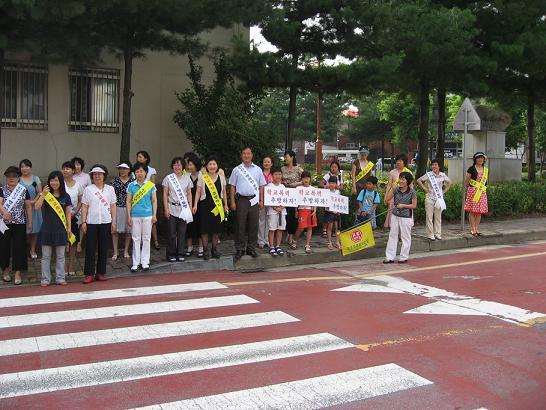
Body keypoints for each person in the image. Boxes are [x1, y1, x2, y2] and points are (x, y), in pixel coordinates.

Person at [34, 171, 72, 286]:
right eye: (52, 180)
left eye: (56, 180)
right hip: (47, 229)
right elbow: (36, 207)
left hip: (61, 230)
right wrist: (43, 194)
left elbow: (68, 213)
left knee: (61, 256)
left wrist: (69, 228)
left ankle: (60, 277)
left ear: (60, 181)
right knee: (46, 256)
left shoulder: (66, 196)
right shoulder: (46, 194)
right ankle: (45, 279)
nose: (54, 183)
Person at [229, 147, 266, 260]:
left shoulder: (258, 170)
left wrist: (261, 200)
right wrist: (232, 202)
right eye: (244, 153)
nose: (246, 155)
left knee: (253, 225)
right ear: (241, 155)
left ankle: (251, 248)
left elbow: (261, 187)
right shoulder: (237, 170)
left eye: (248, 153)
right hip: (241, 200)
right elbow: (232, 186)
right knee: (240, 225)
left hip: (254, 200)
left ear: (252, 155)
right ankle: (240, 249)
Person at [81, 165, 116, 283]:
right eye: (95, 174)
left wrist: (113, 221)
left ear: (104, 175)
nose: (97, 176)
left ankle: (100, 273)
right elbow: (84, 206)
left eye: (99, 174)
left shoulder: (110, 189)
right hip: (91, 222)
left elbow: (113, 206)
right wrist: (84, 221)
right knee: (90, 248)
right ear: (92, 176)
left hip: (106, 222)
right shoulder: (88, 189)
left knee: (103, 248)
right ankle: (89, 274)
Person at [0, 166, 32, 285]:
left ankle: (18, 272)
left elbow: (28, 206)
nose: (11, 178)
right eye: (9, 176)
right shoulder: (2, 189)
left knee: (19, 247)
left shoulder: (23, 190)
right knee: (4, 247)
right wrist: (4, 212)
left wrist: (30, 222)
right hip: (4, 223)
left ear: (18, 177)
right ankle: (5, 270)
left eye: (14, 176)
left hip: (19, 223)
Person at [195, 157, 228, 260]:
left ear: (217, 166)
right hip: (205, 206)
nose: (212, 166)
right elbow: (198, 192)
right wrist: (195, 204)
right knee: (204, 230)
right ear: (206, 166)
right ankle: (205, 250)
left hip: (217, 207)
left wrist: (225, 205)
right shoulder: (202, 177)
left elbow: (224, 193)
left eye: (214, 164)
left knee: (216, 230)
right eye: (210, 164)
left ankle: (214, 250)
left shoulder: (221, 177)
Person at [127, 163, 157, 271]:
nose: (139, 173)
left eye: (141, 171)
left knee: (146, 238)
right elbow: (128, 201)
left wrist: (154, 215)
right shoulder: (131, 186)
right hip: (135, 215)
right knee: (135, 238)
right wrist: (129, 216)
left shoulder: (150, 185)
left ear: (145, 173)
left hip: (147, 215)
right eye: (137, 171)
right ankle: (135, 263)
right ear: (134, 173)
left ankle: (145, 262)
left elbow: (154, 201)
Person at [163, 157, 193, 262]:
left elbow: (189, 194)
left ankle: (180, 252)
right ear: (172, 166)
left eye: (179, 165)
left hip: (183, 208)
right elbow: (165, 194)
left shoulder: (187, 178)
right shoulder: (168, 178)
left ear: (183, 166)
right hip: (171, 207)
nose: (177, 167)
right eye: (175, 165)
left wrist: (190, 208)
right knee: (171, 232)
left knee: (182, 232)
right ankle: (171, 253)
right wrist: (166, 209)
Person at [384, 171, 417, 264]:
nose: (401, 181)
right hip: (395, 215)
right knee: (392, 234)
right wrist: (391, 188)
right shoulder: (396, 189)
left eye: (403, 179)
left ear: (408, 181)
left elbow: (414, 205)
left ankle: (403, 257)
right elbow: (386, 199)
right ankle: (390, 257)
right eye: (400, 178)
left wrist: (403, 205)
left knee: (405, 236)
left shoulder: (412, 192)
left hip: (406, 216)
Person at [417, 159, 452, 240]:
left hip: (439, 198)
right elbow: (419, 180)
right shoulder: (429, 174)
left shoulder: (443, 175)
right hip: (429, 197)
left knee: (438, 217)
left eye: (435, 164)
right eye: (432, 165)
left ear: (439, 166)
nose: (434, 166)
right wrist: (425, 189)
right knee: (429, 216)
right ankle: (430, 234)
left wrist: (444, 191)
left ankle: (438, 233)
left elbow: (450, 182)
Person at [135, 150, 159, 250]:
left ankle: (156, 240)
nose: (138, 159)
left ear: (146, 158)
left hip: (148, 198)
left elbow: (153, 184)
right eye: (137, 157)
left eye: (140, 157)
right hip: (138, 198)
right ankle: (140, 242)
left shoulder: (151, 170)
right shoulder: (135, 169)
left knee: (152, 221)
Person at [63, 161, 83, 276]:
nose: (65, 170)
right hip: (61, 217)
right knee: (62, 242)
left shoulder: (78, 185)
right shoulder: (60, 184)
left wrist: (76, 211)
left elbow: (81, 199)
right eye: (64, 168)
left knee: (72, 242)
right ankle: (64, 266)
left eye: (68, 168)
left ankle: (71, 265)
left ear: (73, 171)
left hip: (73, 217)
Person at [19, 159, 42, 259]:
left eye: (26, 166)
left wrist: (33, 201)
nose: (24, 168)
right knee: (21, 231)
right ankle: (21, 250)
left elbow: (40, 193)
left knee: (34, 230)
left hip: (35, 208)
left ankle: (32, 249)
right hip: (21, 209)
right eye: (22, 166)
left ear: (30, 168)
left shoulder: (35, 179)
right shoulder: (18, 179)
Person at [111, 162, 133, 260]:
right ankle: (115, 251)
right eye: (120, 168)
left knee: (129, 231)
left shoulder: (133, 182)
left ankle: (126, 251)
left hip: (130, 209)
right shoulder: (114, 181)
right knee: (115, 230)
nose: (122, 170)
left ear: (129, 170)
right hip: (117, 207)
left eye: (125, 168)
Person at [291, 171, 317, 254]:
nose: (306, 180)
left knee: (310, 228)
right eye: (304, 178)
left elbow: (316, 201)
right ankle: (294, 241)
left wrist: (315, 211)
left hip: (310, 210)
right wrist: (296, 210)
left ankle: (307, 245)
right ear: (301, 179)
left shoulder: (313, 189)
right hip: (302, 210)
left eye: (307, 178)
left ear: (310, 179)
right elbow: (295, 201)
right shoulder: (298, 188)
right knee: (301, 228)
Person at [281, 150, 303, 247]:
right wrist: (283, 183)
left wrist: (296, 184)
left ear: (292, 157)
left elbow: (305, 180)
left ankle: (291, 235)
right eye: (284, 157)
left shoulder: (298, 169)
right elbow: (278, 178)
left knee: (293, 215)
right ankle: (287, 233)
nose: (285, 159)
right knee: (285, 215)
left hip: (295, 195)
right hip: (284, 195)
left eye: (287, 157)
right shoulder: (282, 169)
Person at [184, 154, 204, 257]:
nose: (188, 167)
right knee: (189, 226)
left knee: (200, 225)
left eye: (190, 164)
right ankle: (189, 247)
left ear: (196, 165)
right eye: (188, 165)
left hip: (200, 205)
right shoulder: (186, 176)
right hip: (187, 204)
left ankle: (201, 248)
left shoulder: (203, 176)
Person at [465, 152, 489, 237]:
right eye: (478, 158)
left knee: (479, 211)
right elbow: (467, 182)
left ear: (484, 159)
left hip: (482, 192)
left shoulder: (485, 169)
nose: (480, 159)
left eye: (482, 158)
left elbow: (486, 182)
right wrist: (471, 189)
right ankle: (472, 229)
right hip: (472, 191)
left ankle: (476, 228)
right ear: (475, 159)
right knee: (472, 211)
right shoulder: (471, 169)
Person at [385, 153, 411, 228]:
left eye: (400, 160)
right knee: (393, 214)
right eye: (397, 160)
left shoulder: (408, 172)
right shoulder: (392, 172)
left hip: (405, 197)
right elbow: (389, 185)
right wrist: (386, 196)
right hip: (393, 197)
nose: (398, 162)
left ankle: (402, 233)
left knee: (403, 215)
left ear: (404, 162)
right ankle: (394, 231)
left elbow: (411, 187)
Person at [319, 160, 344, 238]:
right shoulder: (327, 175)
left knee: (335, 216)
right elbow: (320, 184)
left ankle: (334, 231)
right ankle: (324, 230)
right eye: (332, 167)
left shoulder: (339, 176)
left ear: (338, 168)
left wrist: (337, 187)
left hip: (337, 199)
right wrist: (327, 186)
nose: (333, 168)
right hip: (328, 197)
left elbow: (342, 188)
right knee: (327, 214)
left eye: (335, 167)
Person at [265, 166, 287, 257]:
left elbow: (288, 199)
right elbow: (268, 199)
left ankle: (278, 246)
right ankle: (271, 246)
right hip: (272, 211)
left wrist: (282, 207)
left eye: (279, 174)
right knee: (272, 229)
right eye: (276, 174)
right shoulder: (269, 186)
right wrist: (275, 207)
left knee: (280, 229)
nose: (278, 176)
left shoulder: (283, 186)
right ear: (272, 175)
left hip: (282, 211)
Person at [71, 156, 91, 253]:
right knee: (70, 224)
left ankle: (79, 243)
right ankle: (69, 243)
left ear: (81, 166)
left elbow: (89, 189)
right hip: (71, 204)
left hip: (83, 203)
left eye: (78, 164)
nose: (76, 166)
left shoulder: (86, 176)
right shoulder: (70, 176)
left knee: (81, 224)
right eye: (75, 164)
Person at [258, 155, 274, 249]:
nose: (266, 163)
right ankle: (260, 240)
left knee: (269, 220)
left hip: (271, 201)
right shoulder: (259, 174)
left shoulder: (274, 174)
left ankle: (267, 240)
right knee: (261, 220)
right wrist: (260, 200)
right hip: (261, 200)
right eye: (265, 162)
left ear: (271, 164)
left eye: (268, 162)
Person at [324, 175, 341, 250]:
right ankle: (329, 242)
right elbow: (325, 203)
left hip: (337, 213)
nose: (331, 184)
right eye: (330, 182)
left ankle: (337, 242)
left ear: (336, 184)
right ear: (328, 183)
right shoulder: (326, 192)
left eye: (333, 183)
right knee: (329, 227)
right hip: (329, 212)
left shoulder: (338, 192)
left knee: (337, 228)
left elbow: (340, 202)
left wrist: (339, 210)